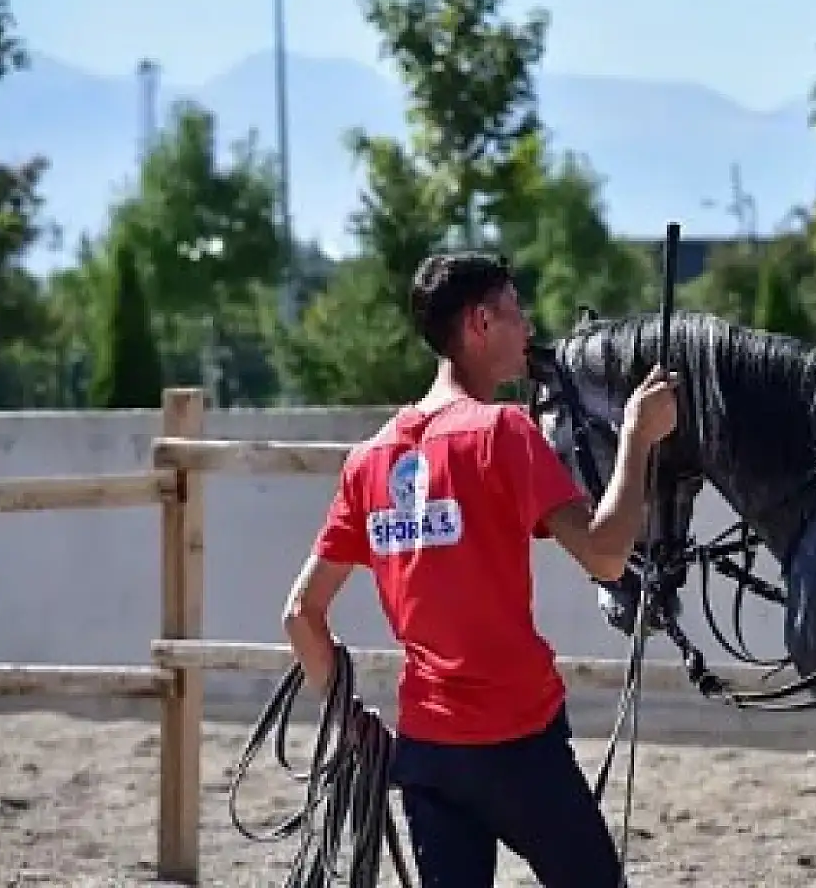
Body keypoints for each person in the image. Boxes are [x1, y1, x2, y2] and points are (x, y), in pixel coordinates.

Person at [279, 250, 678, 886]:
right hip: (519, 741)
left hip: (428, 753)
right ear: (480, 323)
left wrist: (352, 724)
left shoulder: (369, 462)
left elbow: (301, 614)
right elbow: (607, 556)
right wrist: (637, 439)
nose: (528, 330)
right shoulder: (502, 434)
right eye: (516, 313)